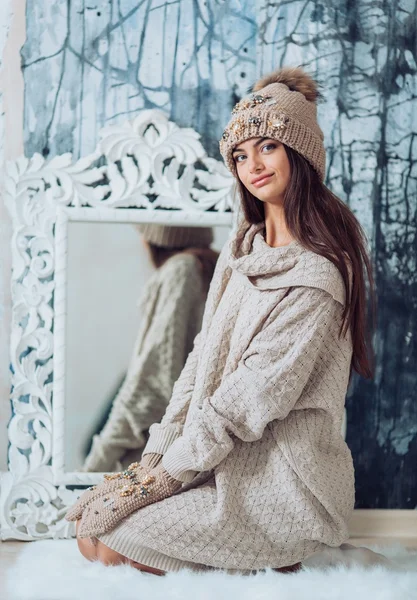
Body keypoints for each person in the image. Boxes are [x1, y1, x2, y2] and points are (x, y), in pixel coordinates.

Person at [66, 65, 389, 575]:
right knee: (89, 535)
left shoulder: (317, 275)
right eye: (240, 154)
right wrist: (153, 461)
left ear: (299, 153)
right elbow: (198, 362)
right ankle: (251, 557)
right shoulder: (241, 251)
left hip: (281, 486)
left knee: (108, 543)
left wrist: (164, 480)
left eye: (268, 147)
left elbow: (248, 399)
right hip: (217, 460)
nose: (252, 165)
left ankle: (295, 553)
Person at [81, 223, 219, 473]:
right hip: (187, 421)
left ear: (154, 238)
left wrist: (88, 471)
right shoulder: (211, 266)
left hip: (165, 422)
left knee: (92, 450)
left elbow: (154, 382)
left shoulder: (181, 269)